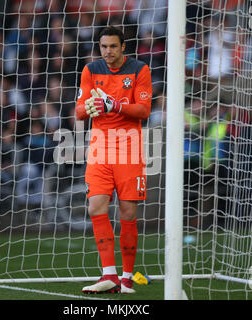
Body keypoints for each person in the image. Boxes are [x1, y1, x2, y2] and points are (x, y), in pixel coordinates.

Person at [75, 26, 152, 294]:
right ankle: (109, 275)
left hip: (129, 150)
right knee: (96, 207)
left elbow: (143, 110)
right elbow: (79, 112)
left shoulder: (139, 70)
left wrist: (114, 105)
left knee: (128, 213)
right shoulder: (90, 70)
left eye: (113, 47)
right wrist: (91, 107)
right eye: (103, 47)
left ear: (123, 47)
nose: (107, 52)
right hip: (99, 149)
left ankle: (127, 278)